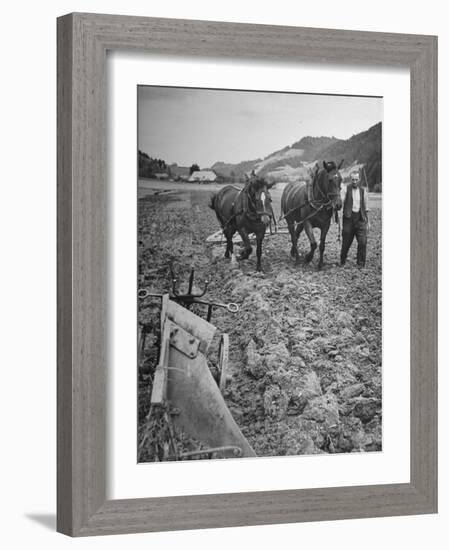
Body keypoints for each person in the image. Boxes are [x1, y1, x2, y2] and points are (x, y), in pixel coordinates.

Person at [340, 171, 369, 267]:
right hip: (348, 218)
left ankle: (360, 263)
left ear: (359, 179)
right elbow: (341, 202)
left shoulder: (363, 191)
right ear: (350, 179)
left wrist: (368, 222)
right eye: (353, 179)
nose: (354, 181)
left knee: (362, 241)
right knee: (346, 242)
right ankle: (342, 260)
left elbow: (366, 207)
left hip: (360, 219)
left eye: (356, 179)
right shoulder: (345, 189)